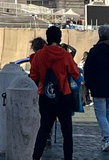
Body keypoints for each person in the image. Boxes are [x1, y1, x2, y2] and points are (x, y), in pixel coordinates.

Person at [28, 26, 79, 160]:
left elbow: (33, 75)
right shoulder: (65, 55)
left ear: (47, 38)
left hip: (45, 95)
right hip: (63, 95)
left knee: (44, 129)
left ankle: (36, 157)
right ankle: (68, 158)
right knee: (67, 132)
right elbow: (76, 73)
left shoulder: (39, 55)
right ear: (60, 38)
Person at [83, 24, 109, 153]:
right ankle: (105, 141)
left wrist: (90, 85)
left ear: (99, 35)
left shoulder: (95, 51)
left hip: (98, 87)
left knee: (101, 115)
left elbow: (88, 70)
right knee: (108, 115)